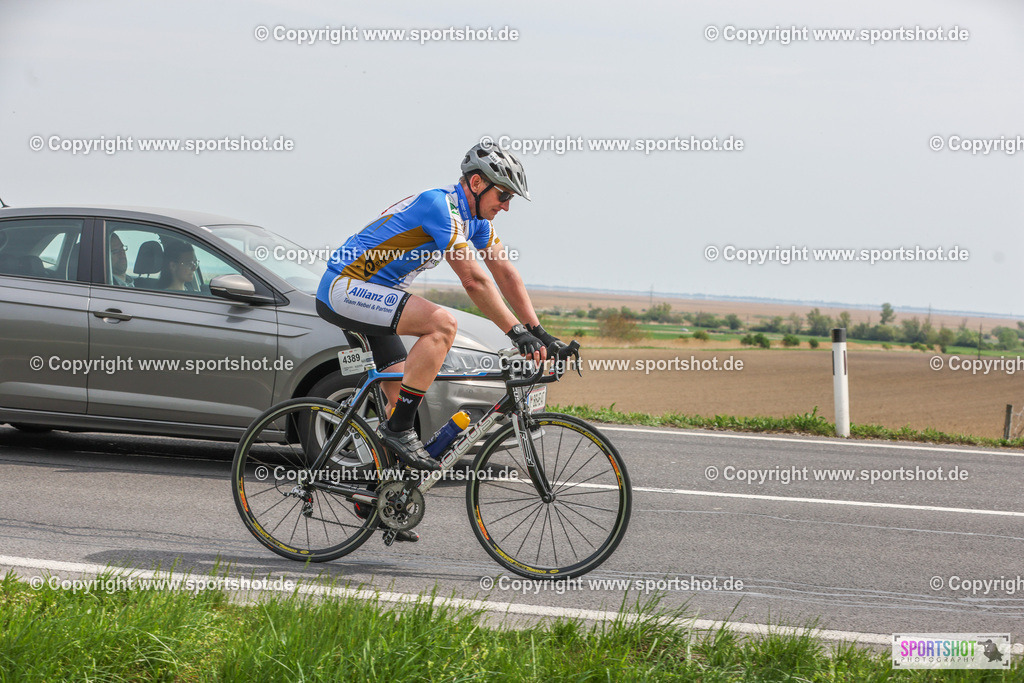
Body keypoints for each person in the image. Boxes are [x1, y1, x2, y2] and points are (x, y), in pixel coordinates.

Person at [317, 143, 567, 473]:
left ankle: (380, 498)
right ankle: (397, 431)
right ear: (477, 184)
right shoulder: (440, 207)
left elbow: (504, 271)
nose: (506, 206)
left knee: (398, 401)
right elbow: (474, 281)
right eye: (503, 195)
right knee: (441, 325)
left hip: (375, 296)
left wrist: (539, 332)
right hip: (346, 288)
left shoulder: (474, 219)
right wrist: (516, 333)